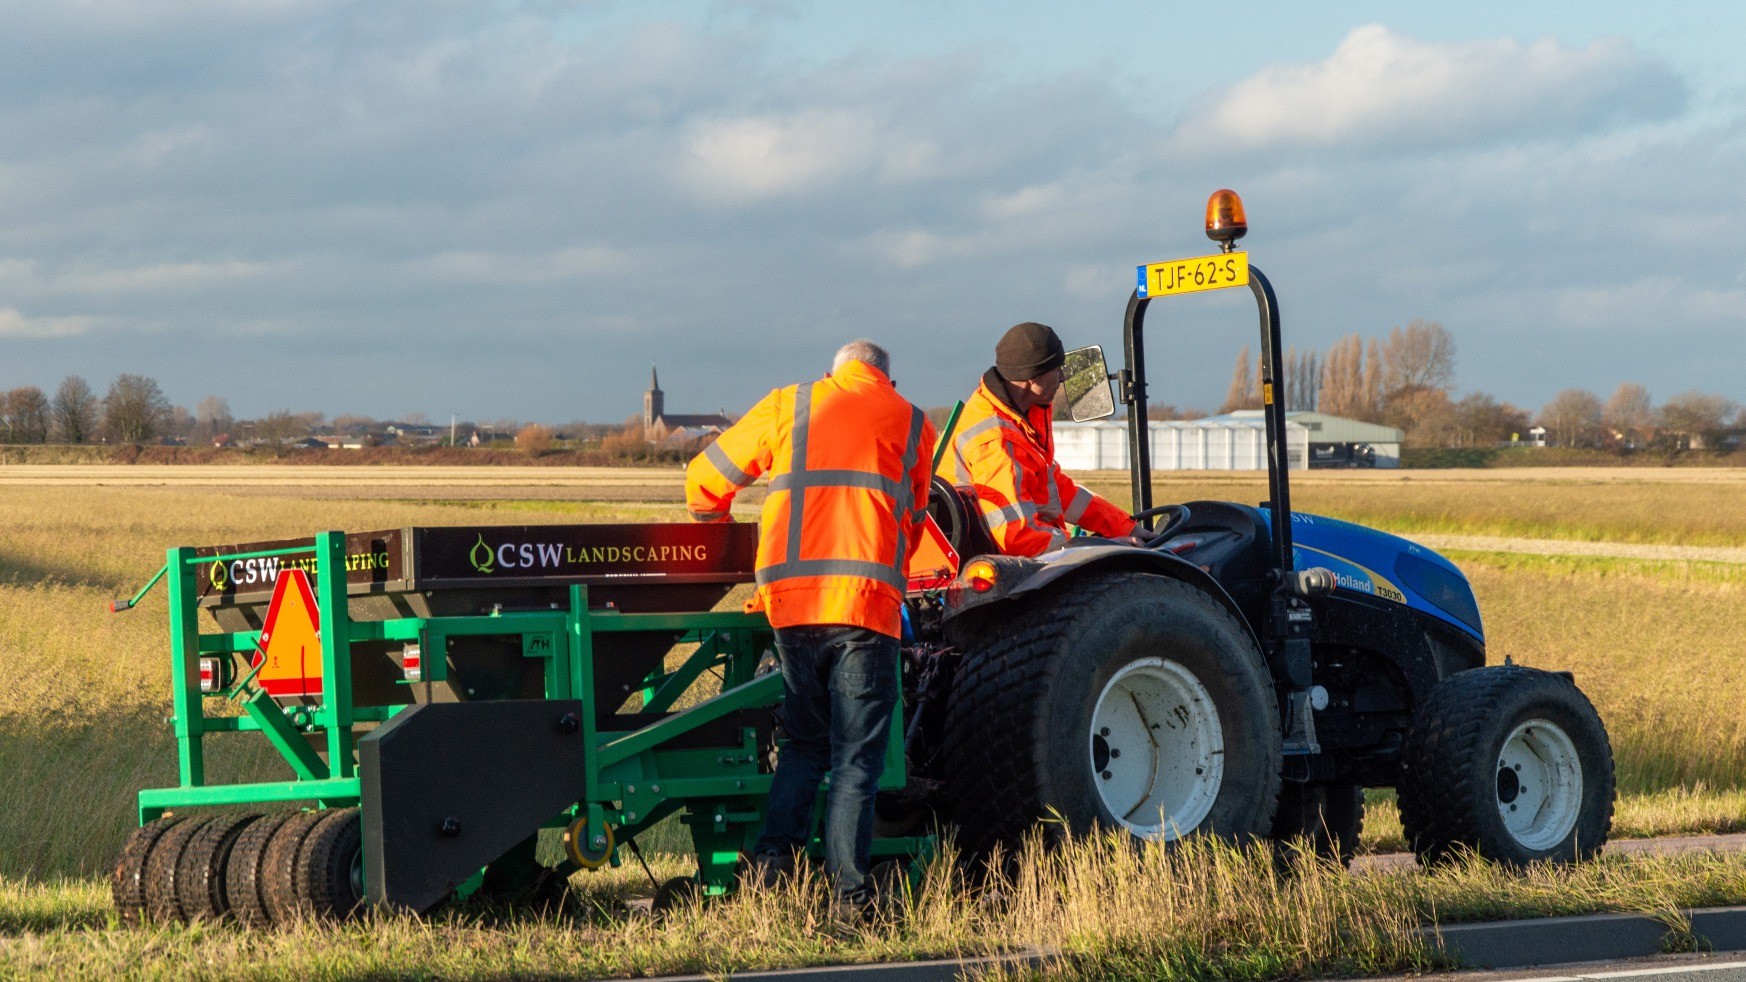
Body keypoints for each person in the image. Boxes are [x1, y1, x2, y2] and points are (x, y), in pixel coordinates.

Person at [685, 339, 936, 905]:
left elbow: (703, 480)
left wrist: (716, 529)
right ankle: (849, 896)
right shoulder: (913, 422)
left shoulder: (790, 403)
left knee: (803, 744)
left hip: (792, 604)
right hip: (866, 608)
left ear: (834, 373)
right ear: (885, 382)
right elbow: (914, 525)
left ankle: (773, 870)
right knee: (856, 760)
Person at [939, 322, 1151, 556]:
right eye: (1056, 369)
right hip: (998, 560)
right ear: (1032, 378)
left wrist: (1123, 526)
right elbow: (1017, 538)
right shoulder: (995, 441)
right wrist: (1094, 548)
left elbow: (1058, 490)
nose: (1062, 378)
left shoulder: (1025, 413)